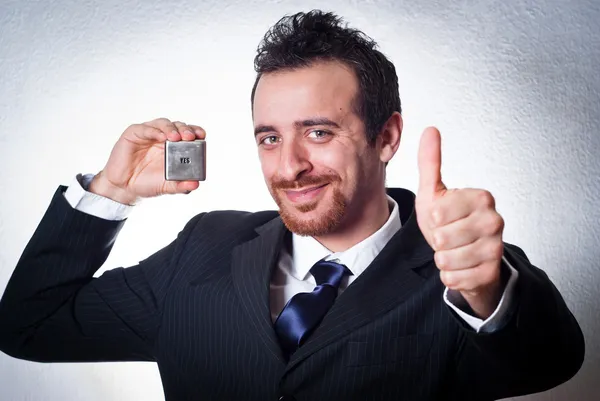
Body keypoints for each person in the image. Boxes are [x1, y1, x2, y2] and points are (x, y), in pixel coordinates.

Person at [0, 10, 584, 401]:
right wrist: (110, 191)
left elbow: (549, 361)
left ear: (386, 136)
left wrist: (486, 293)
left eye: (320, 132)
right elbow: (28, 326)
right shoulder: (204, 247)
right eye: (270, 137)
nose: (288, 166)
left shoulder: (462, 265)